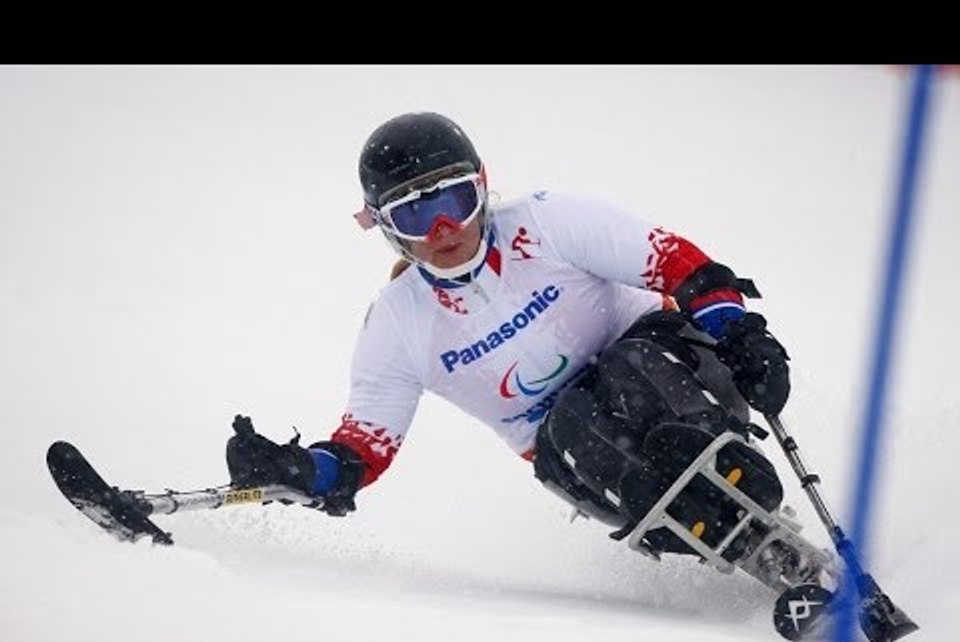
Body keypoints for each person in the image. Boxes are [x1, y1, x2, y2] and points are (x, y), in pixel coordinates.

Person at [225, 111, 791, 556]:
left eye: (455, 201)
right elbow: (361, 450)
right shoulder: (398, 324)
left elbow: (678, 265)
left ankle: (734, 480)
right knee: (572, 422)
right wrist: (304, 473)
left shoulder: (546, 222)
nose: (445, 229)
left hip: (679, 366)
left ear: (483, 187)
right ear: (384, 228)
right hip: (588, 456)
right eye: (416, 216)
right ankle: (721, 539)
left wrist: (739, 333)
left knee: (630, 370)